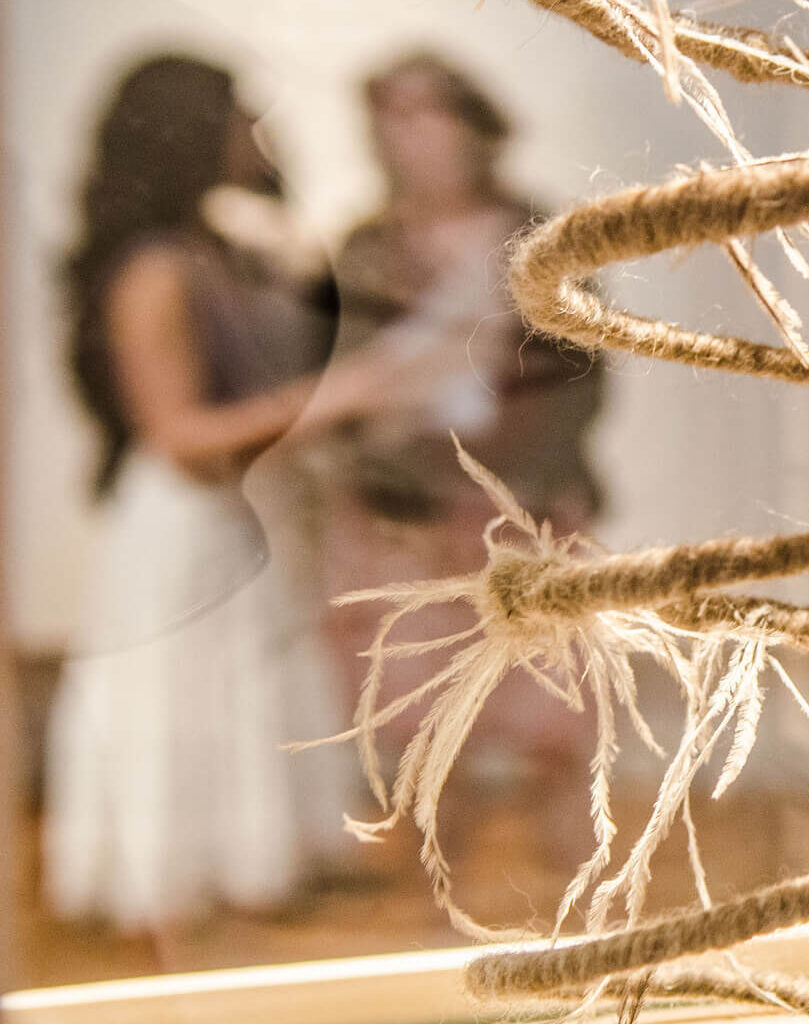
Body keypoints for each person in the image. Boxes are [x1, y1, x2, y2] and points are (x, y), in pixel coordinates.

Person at [41, 55, 392, 937]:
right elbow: (179, 431)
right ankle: (171, 886)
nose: (255, 137)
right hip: (177, 519)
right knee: (182, 695)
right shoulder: (156, 266)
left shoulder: (211, 251)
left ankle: (241, 873)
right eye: (241, 119)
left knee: (233, 687)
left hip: (217, 514)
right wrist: (329, 401)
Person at [317, 51, 604, 862]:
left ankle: (577, 912)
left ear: (473, 125)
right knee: (418, 728)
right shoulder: (366, 248)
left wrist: (494, 477)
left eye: (423, 113)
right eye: (389, 116)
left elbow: (577, 381)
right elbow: (335, 380)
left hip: (527, 513)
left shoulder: (545, 240)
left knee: (555, 710)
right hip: (398, 521)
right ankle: (438, 907)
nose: (402, 136)